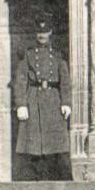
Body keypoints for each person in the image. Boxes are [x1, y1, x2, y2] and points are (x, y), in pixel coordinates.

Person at [14, 15, 72, 180]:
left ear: (50, 32)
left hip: (54, 99)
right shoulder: (28, 55)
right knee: (33, 143)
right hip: (33, 99)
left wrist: (66, 102)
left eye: (45, 32)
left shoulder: (58, 55)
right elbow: (21, 80)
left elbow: (65, 81)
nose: (42, 35)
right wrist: (21, 104)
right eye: (39, 32)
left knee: (56, 142)